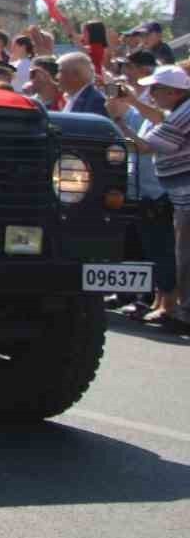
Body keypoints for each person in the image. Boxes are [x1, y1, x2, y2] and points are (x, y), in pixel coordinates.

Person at [108, 64, 190, 330]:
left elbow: (143, 147)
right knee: (174, 253)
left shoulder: (181, 116)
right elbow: (158, 117)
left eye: (155, 88)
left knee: (180, 256)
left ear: (174, 92)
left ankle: (180, 312)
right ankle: (172, 306)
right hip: (174, 194)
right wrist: (131, 101)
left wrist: (118, 122)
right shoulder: (180, 110)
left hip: (180, 196)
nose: (150, 92)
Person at [56, 50, 107, 115]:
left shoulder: (96, 102)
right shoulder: (74, 98)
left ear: (76, 75)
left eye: (60, 72)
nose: (56, 77)